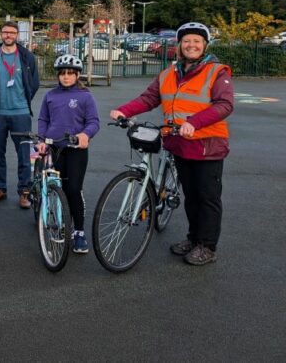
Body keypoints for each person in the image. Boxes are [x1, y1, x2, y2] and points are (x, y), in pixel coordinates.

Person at [110, 22, 234, 266]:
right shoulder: (169, 73)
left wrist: (194, 122)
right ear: (179, 45)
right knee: (190, 196)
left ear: (205, 45)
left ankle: (207, 246)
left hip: (207, 145)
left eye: (197, 41)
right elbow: (149, 98)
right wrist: (123, 111)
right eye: (187, 41)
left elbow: (224, 104)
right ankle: (193, 238)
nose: (191, 45)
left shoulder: (217, 72)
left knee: (206, 197)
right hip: (179, 144)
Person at [36, 55, 99, 254]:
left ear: (77, 75)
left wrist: (85, 134)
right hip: (54, 148)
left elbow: (93, 122)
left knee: (73, 189)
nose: (66, 77)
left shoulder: (85, 96)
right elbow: (43, 120)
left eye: (70, 73)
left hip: (75, 150)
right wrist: (41, 140)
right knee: (59, 189)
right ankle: (62, 225)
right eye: (62, 73)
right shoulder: (50, 95)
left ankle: (79, 232)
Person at [0, 21, 40, 208]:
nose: (8, 35)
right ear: (0, 34)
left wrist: (24, 98)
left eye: (12, 32)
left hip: (21, 112)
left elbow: (34, 82)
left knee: (24, 153)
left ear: (17, 35)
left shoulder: (26, 56)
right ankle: (0, 188)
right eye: (5, 32)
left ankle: (24, 191)